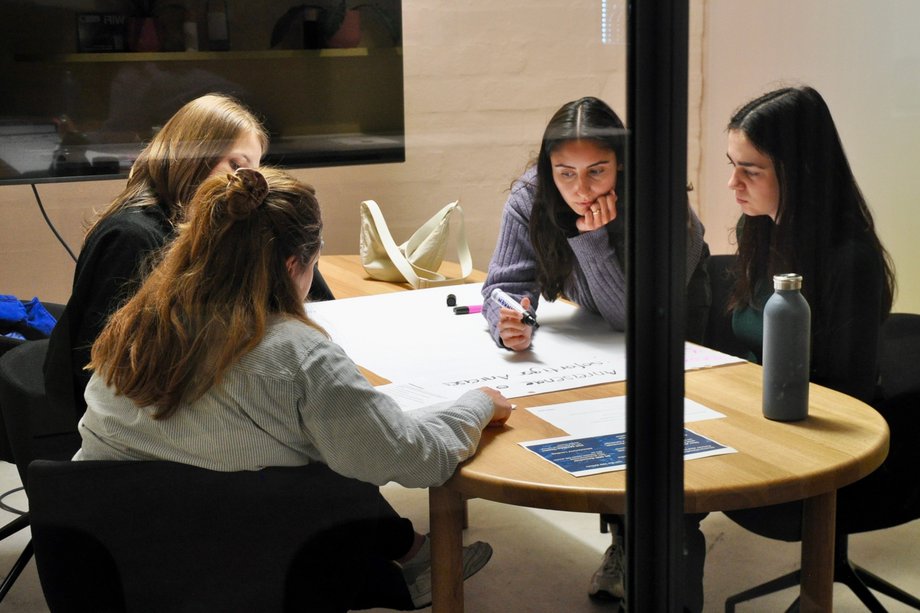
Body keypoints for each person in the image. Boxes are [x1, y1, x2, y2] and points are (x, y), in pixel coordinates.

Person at [75, 167, 514, 611]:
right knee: (334, 467)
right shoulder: (298, 355)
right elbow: (415, 460)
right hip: (239, 572)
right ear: (292, 265)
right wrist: (475, 406)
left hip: (112, 562)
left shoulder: (134, 324)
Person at [480, 96, 711, 610]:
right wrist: (509, 320)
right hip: (602, 330)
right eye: (565, 173)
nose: (580, 190)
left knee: (654, 431)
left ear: (621, 164)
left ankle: (654, 547)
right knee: (602, 425)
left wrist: (593, 241)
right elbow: (504, 284)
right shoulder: (531, 196)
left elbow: (633, 317)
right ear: (547, 168)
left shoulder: (658, 198)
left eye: (596, 172)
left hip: (677, 321)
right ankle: (627, 545)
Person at [45, 92, 333, 423]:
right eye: (236, 166)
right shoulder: (133, 237)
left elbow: (316, 305)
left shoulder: (214, 230)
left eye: (255, 173)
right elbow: (105, 372)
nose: (246, 184)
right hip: (137, 426)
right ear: (189, 156)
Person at [717, 84, 896, 569]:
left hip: (810, 439)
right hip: (758, 416)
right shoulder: (761, 229)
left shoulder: (849, 261)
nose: (733, 184)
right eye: (731, 164)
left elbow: (846, 393)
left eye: (749, 170)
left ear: (800, 173)